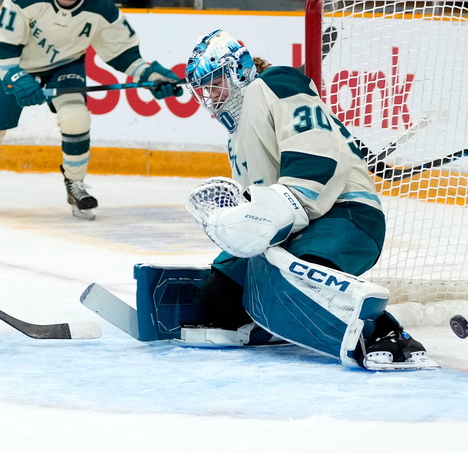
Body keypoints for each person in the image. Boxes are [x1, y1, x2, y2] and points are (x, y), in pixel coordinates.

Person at [180, 29, 436, 370]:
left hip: (345, 214)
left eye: (215, 82)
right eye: (203, 89)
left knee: (297, 279)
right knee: (217, 299)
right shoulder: (235, 136)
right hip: (296, 226)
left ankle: (387, 332)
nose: (210, 95)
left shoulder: (276, 82)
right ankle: (272, 321)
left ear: (237, 70)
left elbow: (316, 158)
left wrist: (281, 208)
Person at [0, 0, 183, 220]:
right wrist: (17, 77)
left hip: (65, 66)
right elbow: (3, 47)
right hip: (17, 65)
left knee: (77, 117)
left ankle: (75, 183)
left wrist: (150, 75)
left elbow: (123, 53)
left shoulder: (102, 9)